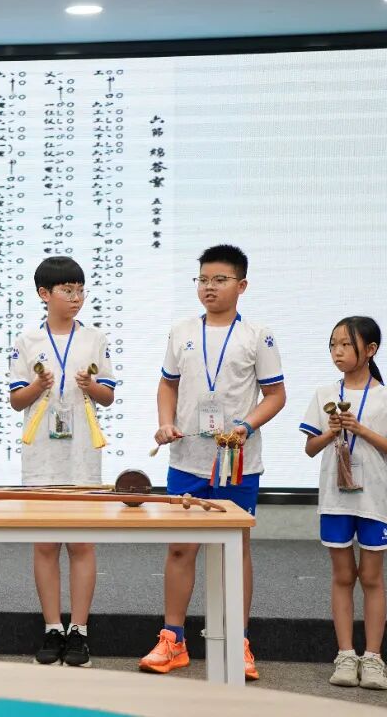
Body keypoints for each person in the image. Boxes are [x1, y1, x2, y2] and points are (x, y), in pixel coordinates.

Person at [140, 245, 285, 681]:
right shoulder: (182, 331)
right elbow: (167, 385)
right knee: (180, 548)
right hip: (187, 460)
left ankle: (238, 641)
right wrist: (165, 423)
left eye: (220, 280)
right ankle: (173, 640)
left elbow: (275, 395)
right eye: (203, 279)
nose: (209, 287)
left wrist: (246, 425)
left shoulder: (258, 336)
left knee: (235, 548)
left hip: (236, 461)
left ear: (242, 285)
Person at [9, 256, 117, 668]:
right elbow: (16, 399)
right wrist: (38, 385)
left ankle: (80, 630)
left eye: (80, 290)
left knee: (81, 542)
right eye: (67, 290)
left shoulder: (94, 339)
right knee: (45, 542)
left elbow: (108, 395)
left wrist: (91, 386)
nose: (76, 298)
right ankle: (52, 626)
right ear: (44, 294)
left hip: (82, 455)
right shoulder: (27, 340)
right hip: (41, 457)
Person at [301, 316, 387, 690]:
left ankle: (374, 658)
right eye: (333, 344)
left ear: (370, 350)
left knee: (372, 578)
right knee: (343, 576)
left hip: (373, 500)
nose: (338, 352)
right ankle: (346, 655)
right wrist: (331, 432)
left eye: (346, 344)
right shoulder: (324, 393)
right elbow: (310, 448)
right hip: (335, 500)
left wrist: (361, 429)